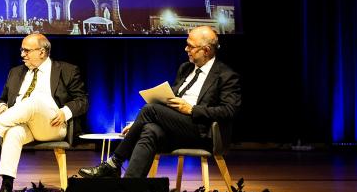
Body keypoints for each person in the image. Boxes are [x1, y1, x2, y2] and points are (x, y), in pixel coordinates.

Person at [78, 26, 241, 179]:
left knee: (150, 110)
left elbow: (229, 110)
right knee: (150, 130)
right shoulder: (186, 68)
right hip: (176, 128)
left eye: (190, 46)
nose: (186, 50)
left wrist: (192, 110)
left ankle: (113, 163)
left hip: (202, 131)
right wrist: (138, 124)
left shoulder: (225, 75)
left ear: (206, 50)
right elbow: (168, 101)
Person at [0, 33, 88, 192]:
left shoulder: (67, 70)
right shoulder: (15, 72)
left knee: (34, 100)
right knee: (13, 132)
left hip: (52, 124)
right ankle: (6, 189)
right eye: (22, 50)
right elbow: (2, 99)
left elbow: (82, 101)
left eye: (27, 51)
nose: (22, 54)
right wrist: (3, 109)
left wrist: (65, 111)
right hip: (23, 124)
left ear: (42, 52)